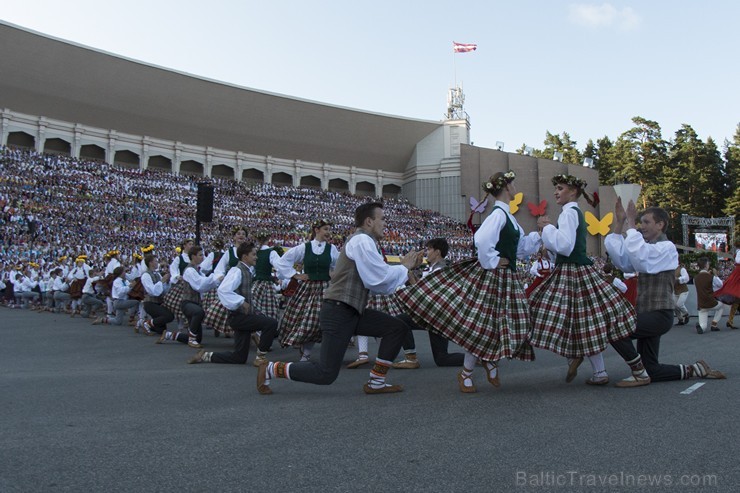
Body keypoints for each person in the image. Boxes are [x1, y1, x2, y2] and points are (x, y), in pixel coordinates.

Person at [397, 171, 543, 392]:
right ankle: (469, 372)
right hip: (497, 278)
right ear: (506, 187)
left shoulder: (508, 216)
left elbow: (520, 248)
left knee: (496, 324)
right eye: (513, 183)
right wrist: (493, 261)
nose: (515, 187)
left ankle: (487, 362)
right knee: (484, 325)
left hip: (505, 278)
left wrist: (538, 235)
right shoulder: (499, 215)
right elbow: (482, 240)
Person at [257, 202, 423, 395]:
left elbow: (380, 284)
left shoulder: (364, 241)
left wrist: (406, 269)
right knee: (325, 374)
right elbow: (377, 279)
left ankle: (376, 382)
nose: (385, 223)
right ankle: (270, 369)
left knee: (396, 328)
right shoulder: (362, 241)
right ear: (369, 221)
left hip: (349, 309)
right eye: (382, 219)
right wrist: (404, 267)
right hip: (339, 311)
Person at [528, 174, 635, 385]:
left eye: (560, 188)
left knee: (541, 309)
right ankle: (598, 371)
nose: (556, 192)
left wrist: (546, 228)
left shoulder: (568, 214)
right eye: (556, 188)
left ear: (573, 191)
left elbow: (565, 246)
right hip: (580, 270)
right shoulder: (575, 212)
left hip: (570, 272)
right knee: (587, 320)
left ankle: (575, 356)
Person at [605, 200, 725, 386]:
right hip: (647, 313)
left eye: (646, 222)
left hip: (659, 314)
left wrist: (630, 221)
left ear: (660, 225)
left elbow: (642, 257)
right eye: (640, 222)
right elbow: (623, 261)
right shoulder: (649, 248)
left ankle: (638, 372)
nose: (641, 226)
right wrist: (620, 222)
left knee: (615, 330)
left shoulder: (666, 247)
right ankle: (695, 369)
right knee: (652, 368)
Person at [188, 242, 278, 366]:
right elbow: (223, 289)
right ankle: (261, 357)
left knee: (239, 357)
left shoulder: (246, 270)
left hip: (241, 317)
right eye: (253, 254)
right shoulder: (237, 270)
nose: (256, 257)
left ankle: (205, 356)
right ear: (245, 256)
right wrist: (241, 301)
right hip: (239, 317)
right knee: (271, 323)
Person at [391, 238, 465, 369]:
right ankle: (477, 358)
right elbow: (419, 288)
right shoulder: (434, 268)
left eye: (429, 249)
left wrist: (408, 268)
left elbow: (421, 292)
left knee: (400, 321)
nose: (426, 252)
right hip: (435, 316)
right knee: (441, 358)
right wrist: (411, 269)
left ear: (437, 252)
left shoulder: (440, 270)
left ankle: (411, 358)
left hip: (436, 316)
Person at [274, 219, 340, 361]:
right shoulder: (304, 247)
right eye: (326, 229)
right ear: (317, 230)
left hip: (325, 288)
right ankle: (306, 351)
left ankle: (308, 353)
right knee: (306, 319)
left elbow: (340, 265)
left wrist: (333, 273)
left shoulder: (332, 249)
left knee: (318, 320)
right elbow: (283, 262)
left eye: (329, 229)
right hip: (308, 288)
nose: (329, 232)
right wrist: (295, 275)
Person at [179, 245, 222, 348]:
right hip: (187, 303)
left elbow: (204, 284)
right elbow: (200, 285)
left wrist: (216, 280)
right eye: (200, 255)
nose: (202, 257)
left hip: (194, 303)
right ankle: (191, 339)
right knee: (199, 312)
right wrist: (215, 278)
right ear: (193, 256)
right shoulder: (190, 270)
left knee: (199, 338)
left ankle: (171, 335)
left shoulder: (197, 270)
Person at [139, 254, 173, 335]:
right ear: (151, 263)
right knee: (169, 316)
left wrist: (167, 282)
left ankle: (144, 324)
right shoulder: (145, 275)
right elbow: (153, 291)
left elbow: (163, 290)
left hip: (158, 302)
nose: (158, 263)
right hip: (150, 303)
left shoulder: (157, 274)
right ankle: (146, 324)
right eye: (156, 261)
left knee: (161, 330)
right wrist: (162, 281)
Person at [693, 258, 726, 334]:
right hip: (711, 302)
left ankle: (701, 327)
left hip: (701, 304)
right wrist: (715, 275)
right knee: (721, 306)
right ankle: (714, 324)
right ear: (706, 265)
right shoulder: (711, 277)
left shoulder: (695, 278)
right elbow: (720, 285)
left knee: (703, 326)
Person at [713, 241, 740, 329]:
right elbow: (738, 261)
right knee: (736, 297)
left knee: (737, 299)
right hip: (738, 274)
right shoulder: (739, 252)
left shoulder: (738, 252)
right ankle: (730, 320)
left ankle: (730, 320)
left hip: (737, 274)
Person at [673, 261, 690, 325]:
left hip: (683, 290)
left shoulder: (681, 269)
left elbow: (686, 278)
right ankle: (680, 319)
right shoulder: (670, 270)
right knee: (674, 305)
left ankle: (686, 314)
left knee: (679, 304)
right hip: (676, 291)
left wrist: (678, 279)